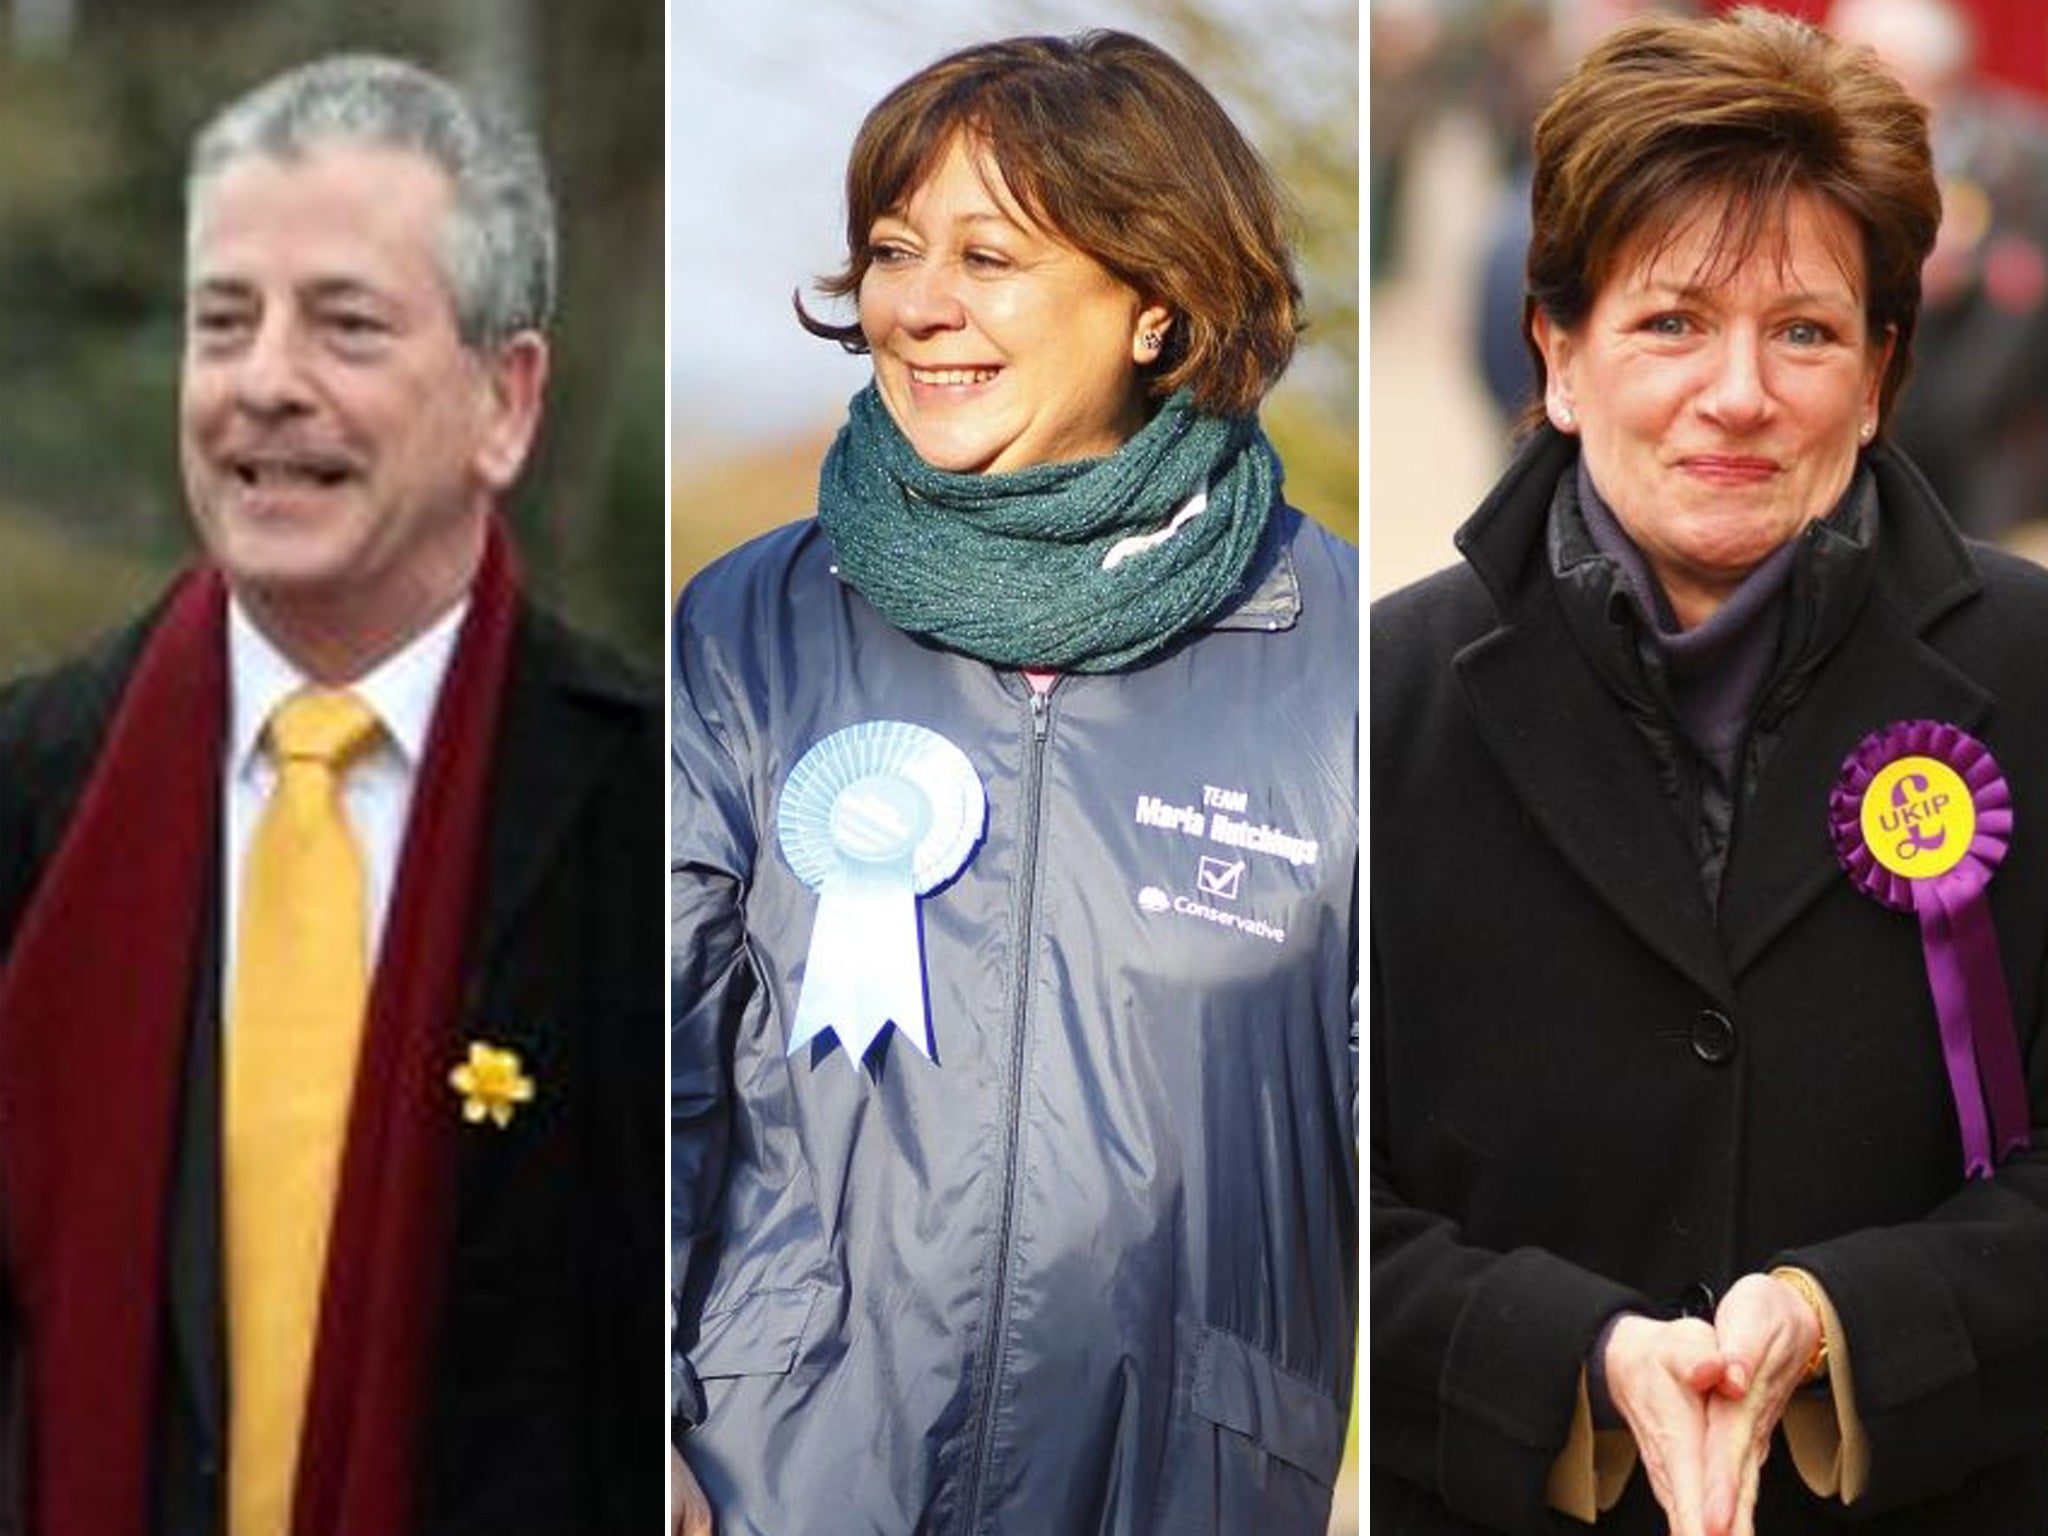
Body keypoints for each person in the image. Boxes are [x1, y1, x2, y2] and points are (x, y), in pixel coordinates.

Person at [672, 30, 1358, 1536]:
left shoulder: (1343, 664)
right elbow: (653, 1060)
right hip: (780, 1488)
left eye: (989, 256)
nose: (920, 306)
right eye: (895, 251)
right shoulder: (742, 632)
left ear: (1157, 304)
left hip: (1185, 1491)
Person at [1372, 9, 2048, 1535]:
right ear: (1556, 353)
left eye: (1804, 332)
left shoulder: (2033, 675)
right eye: (1672, 322)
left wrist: (1851, 1322)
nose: (1737, 393)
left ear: (1880, 377)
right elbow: (1316, 1196)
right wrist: (1571, 1359)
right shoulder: (1380, 703)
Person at [0, 55, 660, 1536]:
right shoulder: (32, 792)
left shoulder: (659, 815)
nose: (263, 379)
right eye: (222, 321)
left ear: (508, 399)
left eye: (344, 324)